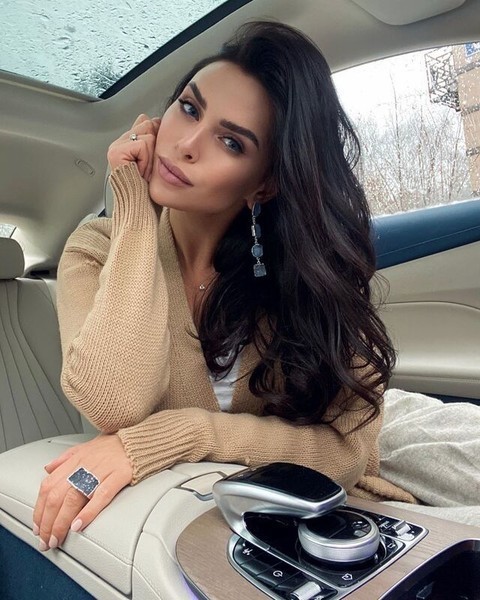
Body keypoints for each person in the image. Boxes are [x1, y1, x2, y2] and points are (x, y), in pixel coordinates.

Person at [32, 21, 416, 553]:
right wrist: (134, 211)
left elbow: (346, 454)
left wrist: (182, 436)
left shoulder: (297, 276)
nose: (187, 145)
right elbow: (115, 403)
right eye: (189, 108)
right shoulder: (94, 250)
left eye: (231, 141)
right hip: (177, 534)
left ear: (263, 184)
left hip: (303, 531)